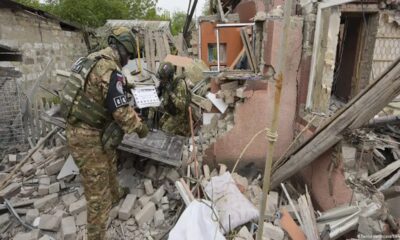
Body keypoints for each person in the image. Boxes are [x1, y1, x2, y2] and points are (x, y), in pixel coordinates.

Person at [61, 27, 148, 240]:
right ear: (120, 49)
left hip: (85, 128)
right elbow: (121, 113)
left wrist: (126, 83)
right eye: (128, 55)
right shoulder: (109, 69)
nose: (128, 60)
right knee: (97, 197)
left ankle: (116, 195)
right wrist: (140, 127)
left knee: (110, 159)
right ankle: (96, 236)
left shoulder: (92, 58)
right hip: (87, 137)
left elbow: (99, 83)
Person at [157, 62, 191, 136]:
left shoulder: (179, 83)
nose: (162, 80)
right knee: (159, 124)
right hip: (170, 111)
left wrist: (171, 93)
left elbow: (181, 106)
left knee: (165, 129)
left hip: (179, 114)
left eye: (164, 78)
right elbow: (162, 101)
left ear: (170, 76)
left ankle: (182, 130)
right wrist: (159, 92)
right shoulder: (166, 82)